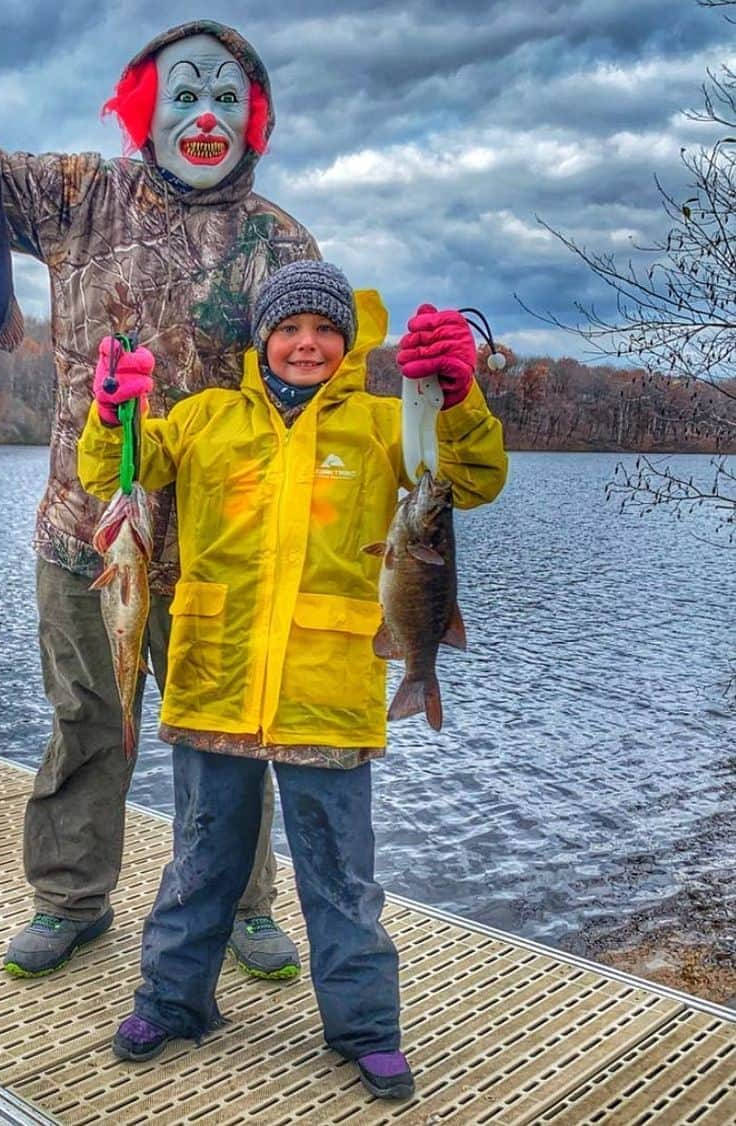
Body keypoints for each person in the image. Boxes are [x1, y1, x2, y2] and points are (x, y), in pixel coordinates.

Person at [0, 21, 318, 979]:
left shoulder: (280, 239)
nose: (205, 116)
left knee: (228, 738)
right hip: (83, 531)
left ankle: (246, 905)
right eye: (184, 95)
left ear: (253, 119)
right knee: (88, 720)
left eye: (227, 99)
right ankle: (68, 898)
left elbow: (310, 378)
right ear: (145, 108)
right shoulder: (81, 192)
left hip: (223, 544)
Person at [77, 261, 508, 1099]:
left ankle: (365, 1029)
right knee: (201, 861)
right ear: (260, 339)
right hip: (216, 681)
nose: (305, 343)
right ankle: (171, 1002)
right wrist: (112, 413)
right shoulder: (205, 419)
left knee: (341, 879)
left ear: (346, 342)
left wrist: (458, 399)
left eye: (323, 329)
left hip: (331, 691)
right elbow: (115, 473)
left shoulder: (386, 425)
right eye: (288, 328)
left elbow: (475, 479)